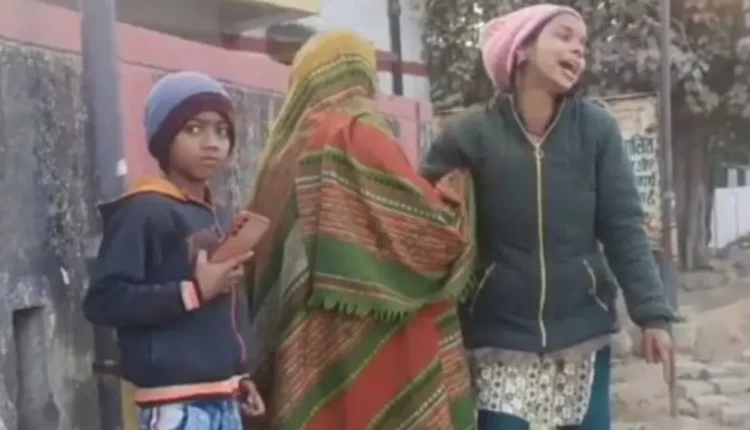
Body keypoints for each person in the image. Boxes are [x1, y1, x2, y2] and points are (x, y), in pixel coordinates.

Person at [420, 5, 675, 430]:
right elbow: (425, 218)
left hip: (583, 332)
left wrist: (653, 314)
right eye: (564, 36)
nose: (578, 50)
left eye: (582, 43)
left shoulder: (597, 131)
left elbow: (623, 226)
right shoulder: (469, 136)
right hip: (499, 337)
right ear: (521, 49)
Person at [244, 30, 476, 430]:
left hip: (307, 343)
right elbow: (426, 236)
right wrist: (459, 195)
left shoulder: (282, 155)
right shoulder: (360, 130)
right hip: (378, 333)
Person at [84, 71, 265, 430]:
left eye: (222, 131)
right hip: (175, 407)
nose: (212, 143)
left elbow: (225, 312)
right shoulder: (144, 210)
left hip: (223, 398)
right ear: (165, 138)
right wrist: (192, 291)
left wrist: (238, 375)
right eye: (194, 129)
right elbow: (104, 300)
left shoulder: (215, 216)